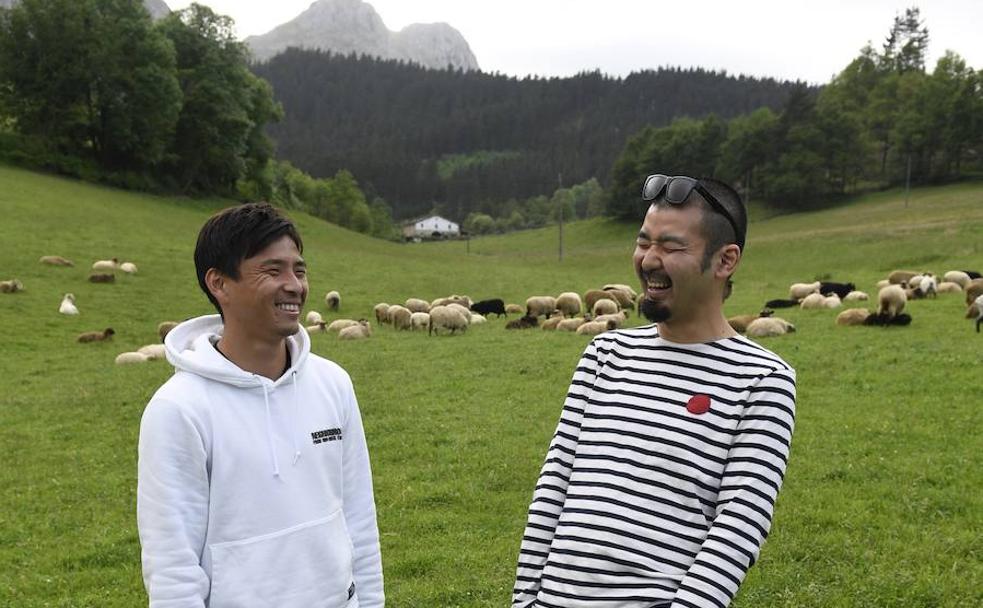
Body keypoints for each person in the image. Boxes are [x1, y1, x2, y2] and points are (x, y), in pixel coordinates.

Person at [512, 175, 796, 608]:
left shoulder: (762, 379)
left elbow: (739, 525)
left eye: (671, 246)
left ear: (725, 260)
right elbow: (555, 485)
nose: (648, 260)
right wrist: (525, 599)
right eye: (644, 242)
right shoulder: (605, 352)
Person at [137, 202, 384, 607]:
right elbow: (172, 567)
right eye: (273, 271)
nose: (295, 285)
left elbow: (359, 516)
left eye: (299, 270)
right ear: (219, 283)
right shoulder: (178, 409)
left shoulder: (333, 383)